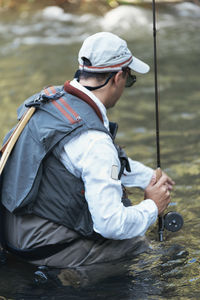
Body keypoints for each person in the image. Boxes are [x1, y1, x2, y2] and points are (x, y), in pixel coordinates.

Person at [0, 32, 174, 270]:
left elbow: (87, 164)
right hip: (40, 247)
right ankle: (77, 278)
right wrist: (152, 206)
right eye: (130, 79)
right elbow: (110, 223)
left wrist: (148, 179)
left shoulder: (53, 103)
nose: (126, 85)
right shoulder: (94, 141)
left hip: (11, 232)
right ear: (118, 77)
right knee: (140, 246)